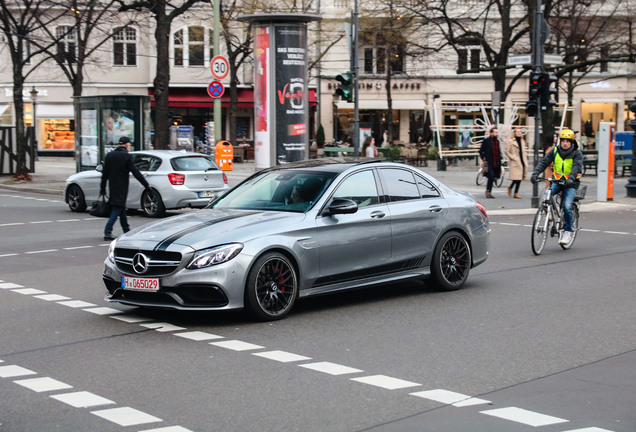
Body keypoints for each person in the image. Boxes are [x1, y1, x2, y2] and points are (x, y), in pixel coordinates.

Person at [531, 129, 583, 246]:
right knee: (546, 196)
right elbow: (544, 162)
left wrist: (572, 178)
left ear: (571, 142)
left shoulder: (577, 153)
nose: (565, 143)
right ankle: (549, 213)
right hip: (558, 181)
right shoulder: (555, 151)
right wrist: (535, 173)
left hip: (571, 183)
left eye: (567, 141)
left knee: (567, 205)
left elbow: (577, 167)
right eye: (563, 141)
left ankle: (568, 230)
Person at [100, 137, 151, 241]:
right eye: (129, 145)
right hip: (122, 186)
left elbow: (104, 173)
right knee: (117, 208)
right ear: (127, 145)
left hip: (112, 186)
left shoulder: (110, 155)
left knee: (121, 207)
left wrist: (103, 187)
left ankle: (126, 230)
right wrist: (146, 185)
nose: (130, 147)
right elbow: (135, 172)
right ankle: (107, 231)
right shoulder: (126, 156)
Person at [504, 129, 529, 199]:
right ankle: (515, 192)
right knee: (517, 178)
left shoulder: (522, 141)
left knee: (519, 178)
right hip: (515, 161)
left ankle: (512, 189)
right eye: (517, 132)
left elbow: (523, 151)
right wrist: (513, 157)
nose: (519, 133)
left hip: (522, 160)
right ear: (514, 133)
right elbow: (507, 151)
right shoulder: (511, 141)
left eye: (520, 132)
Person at [478, 127, 502, 198]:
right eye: (495, 132)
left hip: (496, 162)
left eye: (497, 132)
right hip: (489, 162)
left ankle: (489, 191)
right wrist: (484, 158)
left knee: (494, 177)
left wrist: (500, 155)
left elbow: (498, 151)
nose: (497, 134)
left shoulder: (497, 141)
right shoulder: (486, 141)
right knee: (491, 176)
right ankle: (488, 191)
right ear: (491, 133)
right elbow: (481, 151)